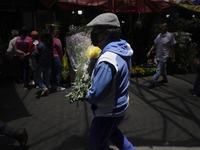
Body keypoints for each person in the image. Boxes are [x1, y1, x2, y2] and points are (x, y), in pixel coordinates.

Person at [86, 13, 136, 150]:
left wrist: (87, 94)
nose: (93, 35)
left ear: (106, 33)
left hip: (107, 113)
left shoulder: (107, 60)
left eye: (95, 31)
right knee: (113, 133)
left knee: (95, 146)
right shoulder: (123, 48)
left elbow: (96, 94)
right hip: (120, 107)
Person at [147, 22, 176, 89]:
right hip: (158, 55)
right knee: (162, 68)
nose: (163, 27)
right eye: (162, 26)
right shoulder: (159, 35)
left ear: (167, 28)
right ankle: (165, 79)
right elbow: (155, 44)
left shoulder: (170, 36)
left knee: (158, 69)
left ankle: (153, 82)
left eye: (164, 26)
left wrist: (173, 57)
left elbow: (172, 47)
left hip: (165, 56)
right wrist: (149, 51)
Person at [32, 30, 53, 95]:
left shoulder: (40, 44)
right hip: (48, 63)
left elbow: (33, 54)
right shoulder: (51, 45)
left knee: (36, 76)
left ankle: (44, 88)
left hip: (40, 63)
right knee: (46, 76)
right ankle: (47, 89)